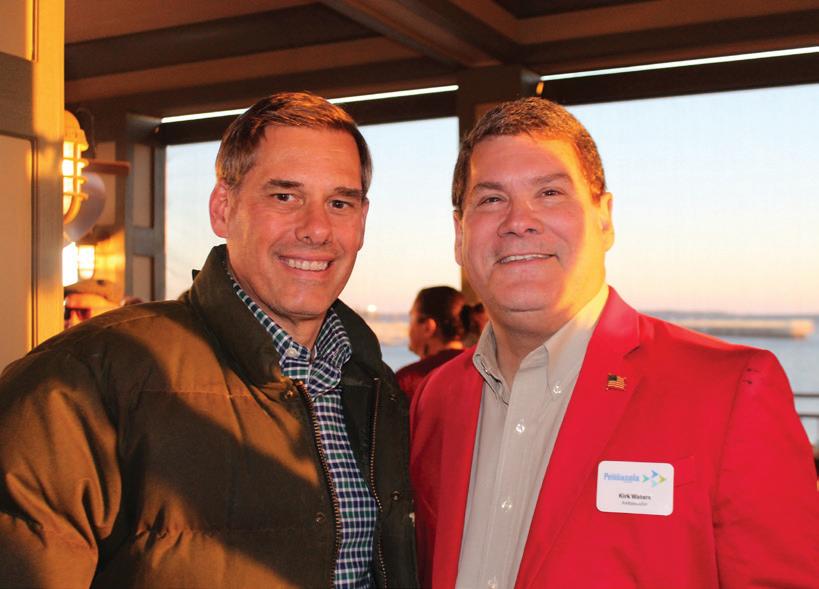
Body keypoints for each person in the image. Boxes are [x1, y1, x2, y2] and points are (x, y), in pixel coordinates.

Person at [0, 92, 417, 588]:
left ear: (362, 220)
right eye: (284, 197)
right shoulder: (81, 382)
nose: (316, 229)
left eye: (339, 203)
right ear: (223, 209)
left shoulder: (377, 390)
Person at [410, 97, 819, 589]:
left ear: (604, 219)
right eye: (491, 199)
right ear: (460, 235)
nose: (519, 221)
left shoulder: (730, 390)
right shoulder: (435, 401)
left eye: (550, 193)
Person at [396, 286, 470, 398]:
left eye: (411, 319)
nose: (408, 328)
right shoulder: (482, 369)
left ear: (428, 327)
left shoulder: (408, 380)